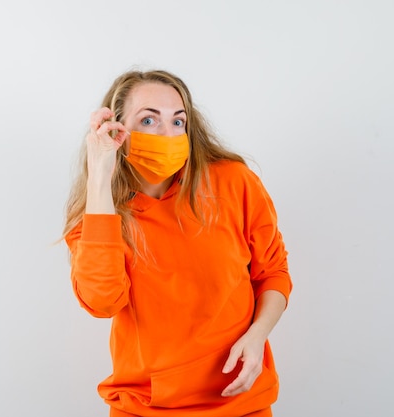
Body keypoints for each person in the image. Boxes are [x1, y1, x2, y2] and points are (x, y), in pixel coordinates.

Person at [62, 69, 292, 417]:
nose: (167, 133)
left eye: (178, 121)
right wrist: (99, 180)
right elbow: (101, 301)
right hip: (144, 406)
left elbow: (272, 272)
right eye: (149, 120)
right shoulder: (99, 216)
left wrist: (258, 335)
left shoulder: (234, 182)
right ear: (118, 130)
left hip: (240, 401)